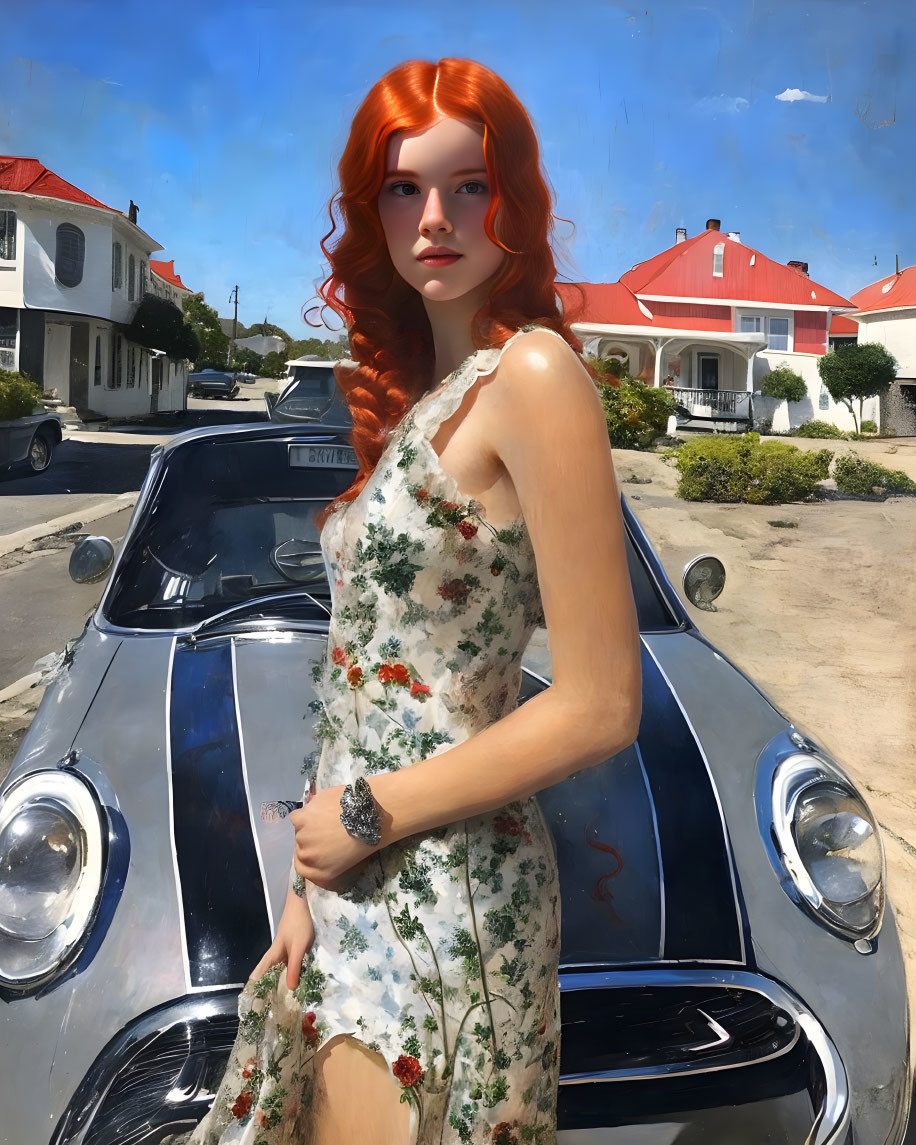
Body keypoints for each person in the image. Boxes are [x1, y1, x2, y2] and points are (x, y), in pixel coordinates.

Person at [190, 57, 641, 1145]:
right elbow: (364, 677)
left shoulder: (531, 376)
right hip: (352, 878)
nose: (434, 217)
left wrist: (359, 817)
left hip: (448, 895)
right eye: (403, 188)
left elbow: (598, 702)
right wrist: (308, 882)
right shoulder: (428, 402)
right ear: (370, 210)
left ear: (516, 201)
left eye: (469, 184)